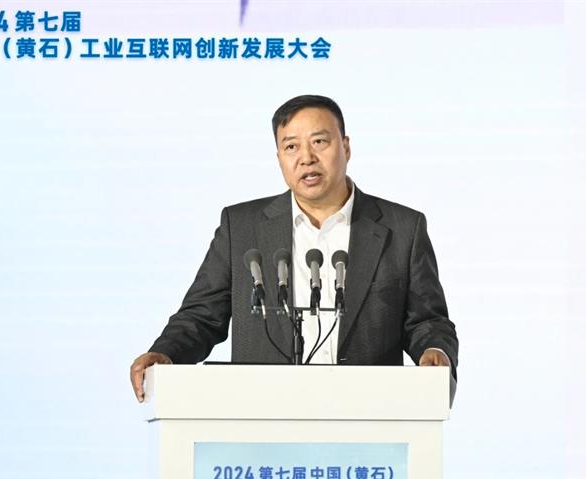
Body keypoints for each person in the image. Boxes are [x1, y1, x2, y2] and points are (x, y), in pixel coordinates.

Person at [130, 95, 458, 403]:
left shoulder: (402, 229)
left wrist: (434, 350)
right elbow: (202, 316)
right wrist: (166, 353)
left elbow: (427, 321)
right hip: (265, 414)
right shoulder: (241, 228)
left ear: (345, 147)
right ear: (279, 158)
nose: (306, 158)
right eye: (291, 146)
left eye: (319, 142)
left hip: (369, 413)